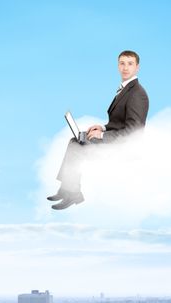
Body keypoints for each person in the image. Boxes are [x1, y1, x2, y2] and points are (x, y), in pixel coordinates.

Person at [48, 50, 149, 210]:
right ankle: (66, 190)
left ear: (137, 68)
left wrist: (102, 135)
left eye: (130, 64)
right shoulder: (125, 89)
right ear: (117, 66)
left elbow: (132, 133)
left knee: (77, 148)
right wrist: (102, 127)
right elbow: (119, 122)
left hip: (121, 147)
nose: (125, 68)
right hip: (113, 138)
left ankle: (74, 193)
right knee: (75, 140)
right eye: (122, 63)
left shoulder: (137, 94)